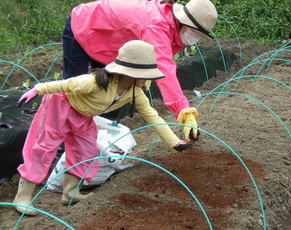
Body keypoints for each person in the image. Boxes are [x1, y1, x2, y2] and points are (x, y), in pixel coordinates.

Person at [13, 40, 191, 216]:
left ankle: (70, 193)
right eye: (146, 75)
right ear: (132, 73)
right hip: (60, 106)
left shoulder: (134, 92)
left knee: (86, 149)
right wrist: (37, 89)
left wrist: (174, 143)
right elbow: (66, 84)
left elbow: (153, 116)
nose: (148, 80)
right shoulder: (95, 82)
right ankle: (22, 198)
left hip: (83, 115)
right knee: (43, 148)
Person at [62, 0, 218, 141]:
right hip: (83, 26)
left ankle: (98, 140)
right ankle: (61, 141)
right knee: (75, 93)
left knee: (107, 91)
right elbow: (165, 71)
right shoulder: (156, 26)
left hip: (108, 41)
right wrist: (183, 110)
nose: (195, 39)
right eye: (195, 33)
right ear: (184, 22)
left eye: (199, 36)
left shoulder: (171, 25)